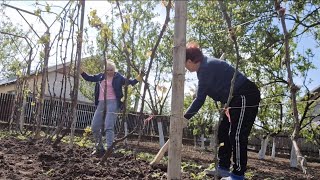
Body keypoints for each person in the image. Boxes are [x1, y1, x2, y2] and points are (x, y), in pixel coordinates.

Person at [183, 42, 260, 180]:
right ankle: (223, 167)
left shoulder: (205, 68)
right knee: (224, 132)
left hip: (245, 95)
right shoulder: (205, 66)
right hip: (233, 100)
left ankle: (238, 175)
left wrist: (185, 117)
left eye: (184, 64)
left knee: (237, 134)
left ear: (189, 61)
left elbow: (200, 99)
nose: (185, 68)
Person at [80, 59, 143, 157]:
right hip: (101, 103)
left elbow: (130, 82)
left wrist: (139, 77)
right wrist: (81, 71)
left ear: (114, 70)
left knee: (109, 126)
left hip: (113, 102)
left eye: (111, 70)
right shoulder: (100, 76)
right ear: (105, 70)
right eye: (108, 70)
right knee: (95, 126)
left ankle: (110, 149)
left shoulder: (118, 77)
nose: (110, 72)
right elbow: (88, 78)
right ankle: (99, 148)